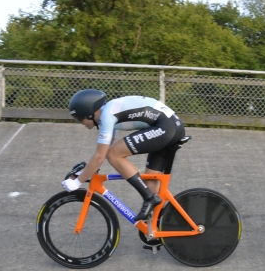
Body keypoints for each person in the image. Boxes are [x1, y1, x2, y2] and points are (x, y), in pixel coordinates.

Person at [64, 90, 186, 228]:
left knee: (114, 154)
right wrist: (87, 171)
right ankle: (164, 228)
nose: (80, 122)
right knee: (151, 183)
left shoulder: (106, 116)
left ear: (89, 113)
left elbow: (100, 157)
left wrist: (77, 182)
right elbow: (102, 152)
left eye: (79, 118)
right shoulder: (108, 112)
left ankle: (149, 197)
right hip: (169, 125)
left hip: (165, 126)